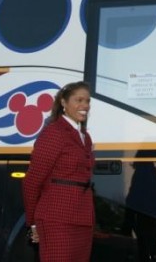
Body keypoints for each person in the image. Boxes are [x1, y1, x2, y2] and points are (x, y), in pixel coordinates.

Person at [22, 81, 95, 262]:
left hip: (83, 218)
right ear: (63, 102)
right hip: (57, 218)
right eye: (79, 100)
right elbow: (32, 182)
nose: (84, 106)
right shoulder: (54, 132)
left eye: (87, 101)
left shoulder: (85, 137)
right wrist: (32, 222)